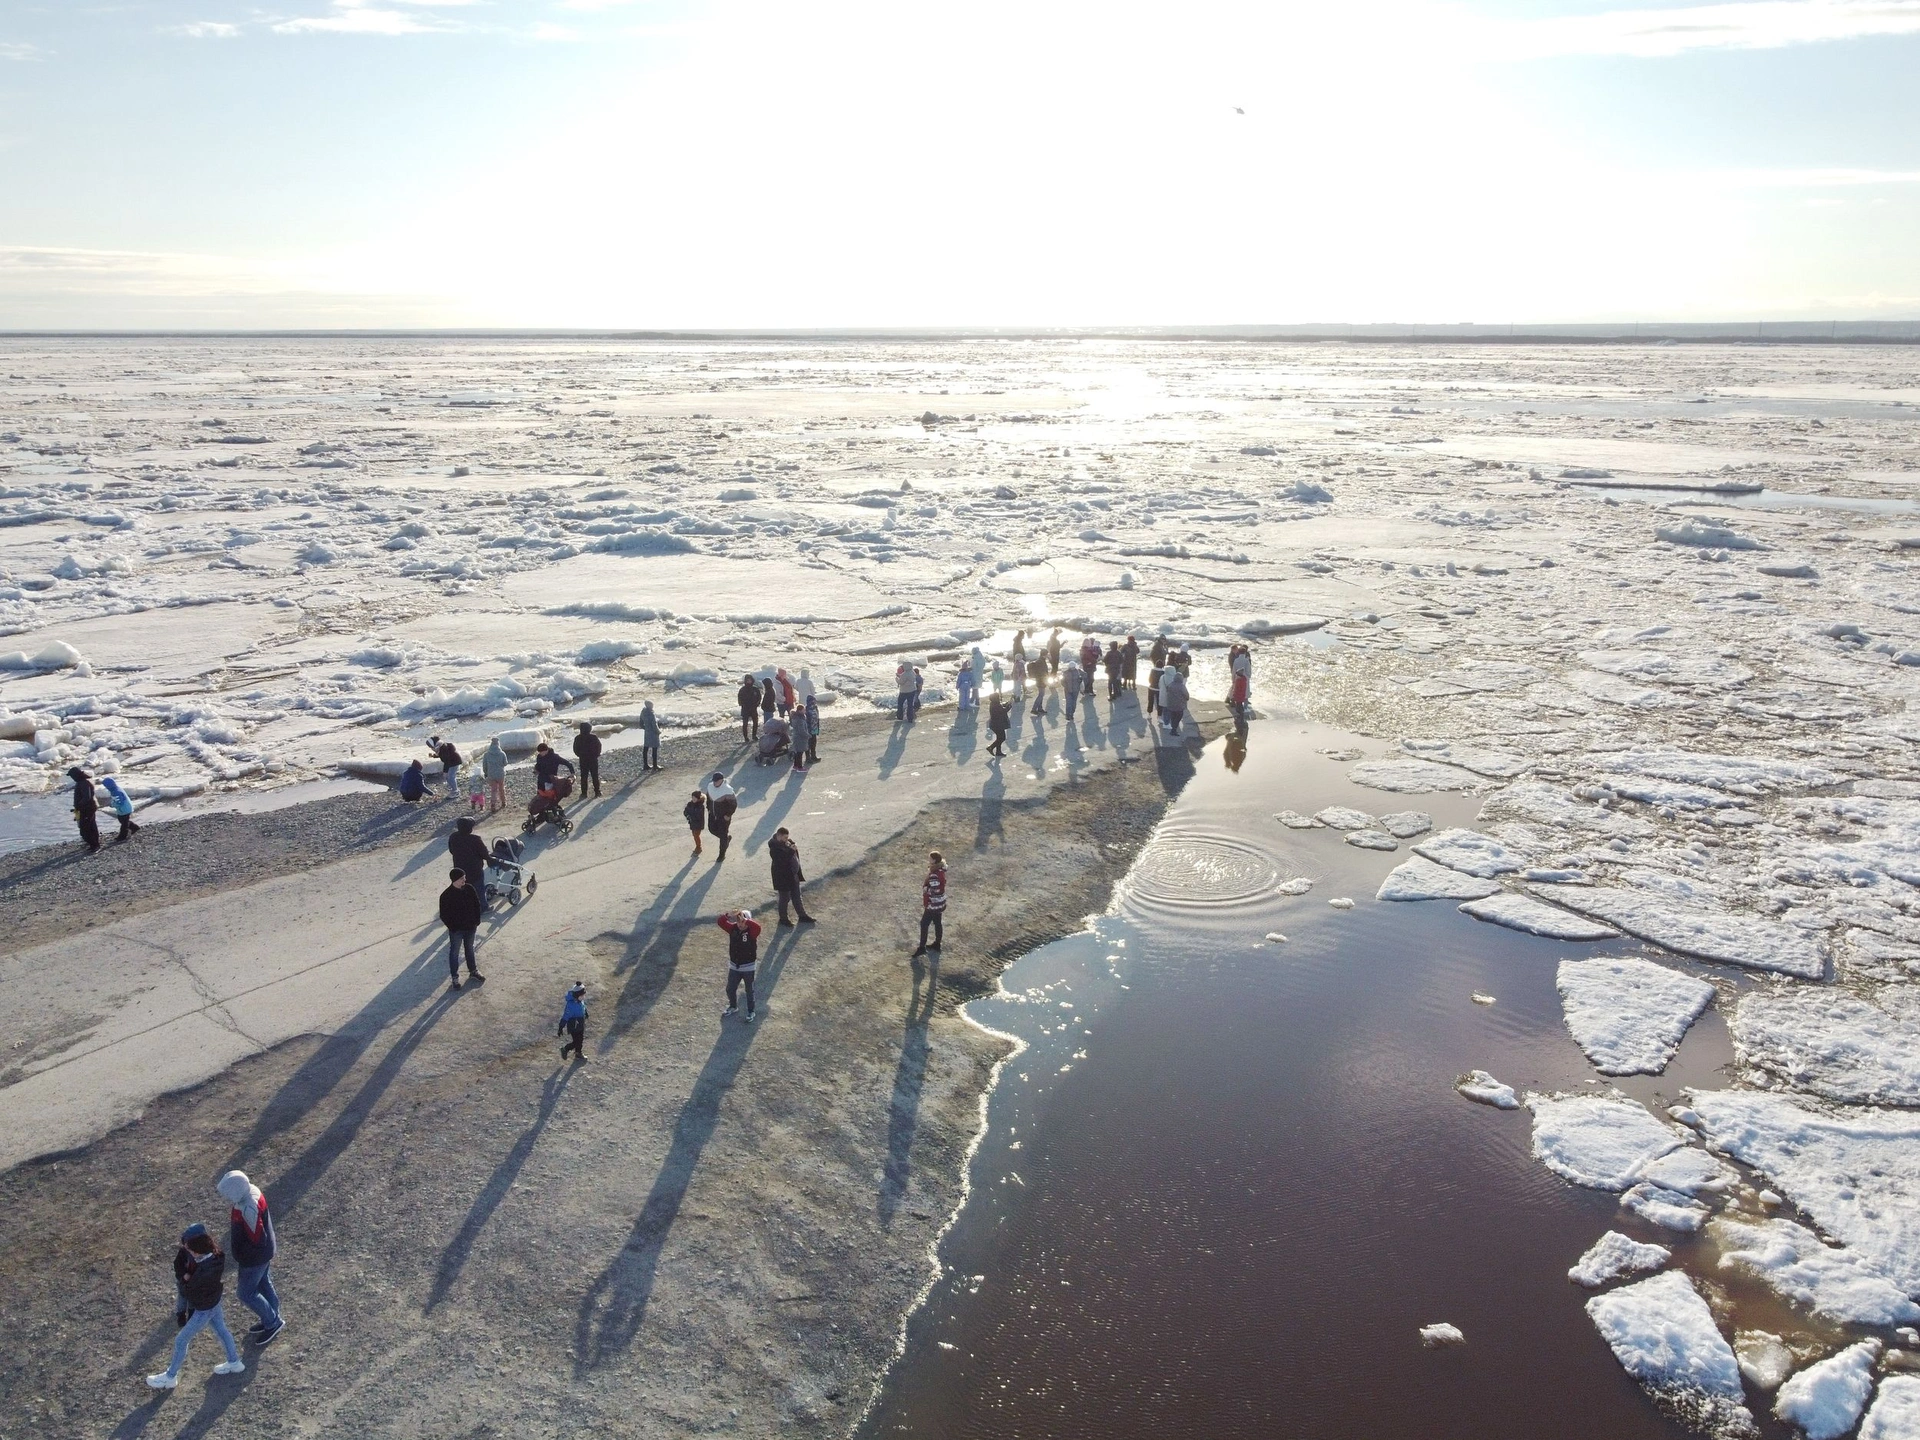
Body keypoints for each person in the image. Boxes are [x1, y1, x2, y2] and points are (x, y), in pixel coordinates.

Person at [148, 1223, 244, 1389]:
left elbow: (188, 1291)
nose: (189, 1253)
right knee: (222, 1331)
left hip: (203, 1309)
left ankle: (170, 1377)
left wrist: (184, 1282)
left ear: (198, 1249)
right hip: (214, 1302)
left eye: (191, 1250)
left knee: (181, 1340)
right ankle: (234, 1362)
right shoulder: (216, 1256)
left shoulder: (203, 1272)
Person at [217, 1170, 284, 1346]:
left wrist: (242, 1254)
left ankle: (272, 1321)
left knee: (245, 1293)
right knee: (263, 1283)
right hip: (264, 1254)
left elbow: (257, 1238)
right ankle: (272, 1316)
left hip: (254, 1259)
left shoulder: (247, 1207)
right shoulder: (253, 1191)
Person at [439, 867, 484, 989]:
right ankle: (455, 977)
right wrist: (453, 927)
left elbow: (477, 904)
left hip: (470, 927)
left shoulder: (469, 888)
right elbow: (444, 915)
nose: (465, 880)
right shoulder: (446, 896)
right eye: (462, 878)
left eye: (464, 877)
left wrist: (476, 921)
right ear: (455, 880)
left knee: (469, 949)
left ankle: (473, 971)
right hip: (457, 931)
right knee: (454, 953)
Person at [717, 909, 761, 1020]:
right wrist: (728, 915)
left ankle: (751, 1012)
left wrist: (746, 921)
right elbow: (720, 922)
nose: (740, 924)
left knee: (749, 991)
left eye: (743, 922)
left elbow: (758, 927)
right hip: (734, 966)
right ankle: (733, 1006)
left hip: (748, 967)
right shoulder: (733, 929)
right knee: (730, 989)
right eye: (738, 921)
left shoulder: (752, 931)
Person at [769, 826, 814, 924]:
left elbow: (791, 853)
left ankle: (802, 916)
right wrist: (791, 850)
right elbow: (782, 861)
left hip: (793, 875)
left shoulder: (786, 843)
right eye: (785, 837)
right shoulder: (774, 848)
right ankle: (783, 919)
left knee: (797, 896)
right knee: (784, 899)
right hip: (783, 878)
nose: (787, 839)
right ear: (779, 836)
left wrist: (792, 845)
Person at [911, 852, 948, 957]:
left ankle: (922, 948)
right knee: (937, 923)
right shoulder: (941, 870)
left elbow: (935, 890)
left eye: (930, 858)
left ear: (934, 860)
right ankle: (937, 944)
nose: (928, 859)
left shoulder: (934, 874)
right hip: (940, 903)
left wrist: (926, 889)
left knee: (924, 924)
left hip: (933, 904)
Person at [449, 816, 490, 902]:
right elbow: (484, 854)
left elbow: (451, 850)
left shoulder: (453, 836)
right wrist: (490, 859)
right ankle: (483, 907)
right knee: (479, 889)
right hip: (474, 870)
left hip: (459, 867)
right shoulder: (475, 839)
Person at [704, 771, 737, 860]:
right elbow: (708, 798)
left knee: (722, 835)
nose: (714, 783)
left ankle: (722, 855)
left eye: (716, 781)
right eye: (714, 781)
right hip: (712, 814)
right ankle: (726, 839)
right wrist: (708, 808)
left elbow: (733, 804)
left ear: (721, 780)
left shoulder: (728, 790)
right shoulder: (710, 786)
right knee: (711, 829)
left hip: (723, 817)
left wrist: (728, 815)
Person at [100, 774, 139, 842]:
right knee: (123, 821)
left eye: (106, 786)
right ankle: (135, 827)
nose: (106, 787)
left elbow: (120, 802)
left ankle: (122, 836)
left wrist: (112, 805)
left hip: (124, 809)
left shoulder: (116, 792)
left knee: (124, 823)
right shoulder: (116, 789)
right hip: (125, 808)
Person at [558, 981, 589, 1062]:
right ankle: (565, 1049)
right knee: (576, 1041)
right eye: (582, 995)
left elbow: (583, 1006)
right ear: (576, 996)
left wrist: (585, 1012)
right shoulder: (570, 1005)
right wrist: (561, 1026)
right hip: (573, 1025)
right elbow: (566, 1016)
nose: (583, 997)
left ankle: (578, 1053)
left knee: (581, 1039)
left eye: (584, 995)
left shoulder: (580, 1000)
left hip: (580, 1023)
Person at [572, 722, 603, 799]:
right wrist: (597, 754)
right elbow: (599, 746)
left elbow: (575, 749)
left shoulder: (578, 738)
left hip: (583, 759)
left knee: (584, 776)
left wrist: (579, 755)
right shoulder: (593, 737)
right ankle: (597, 792)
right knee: (595, 775)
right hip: (593, 759)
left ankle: (584, 793)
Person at [428, 735, 463, 800]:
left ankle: (455, 791)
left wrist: (445, 771)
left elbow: (446, 761)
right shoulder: (441, 746)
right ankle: (452, 787)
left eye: (430, 746)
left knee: (450, 777)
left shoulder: (443, 748)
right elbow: (441, 755)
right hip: (452, 762)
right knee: (449, 777)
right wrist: (433, 756)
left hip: (454, 762)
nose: (431, 748)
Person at [1161, 664, 1190, 736]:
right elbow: (1187, 696)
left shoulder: (1171, 685)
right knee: (1179, 717)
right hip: (1179, 706)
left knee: (1173, 717)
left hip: (1171, 705)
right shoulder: (1182, 686)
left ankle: (1173, 729)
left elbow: (1168, 692)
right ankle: (1174, 729)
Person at [482, 736, 508, 813]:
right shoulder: (502, 753)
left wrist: (486, 773)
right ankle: (503, 802)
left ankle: (493, 805)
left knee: (493, 790)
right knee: (501, 789)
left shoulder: (486, 754)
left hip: (491, 774)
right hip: (500, 774)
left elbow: (484, 765)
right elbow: (505, 763)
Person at [638, 700, 661, 771]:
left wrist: (645, 728)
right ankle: (655, 765)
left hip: (647, 732)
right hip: (653, 733)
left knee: (646, 748)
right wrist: (658, 732)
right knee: (654, 748)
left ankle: (645, 765)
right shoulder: (651, 714)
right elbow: (654, 725)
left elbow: (641, 723)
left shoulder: (643, 712)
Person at [737, 675, 761, 743]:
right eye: (747, 680)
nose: (749, 681)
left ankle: (754, 735)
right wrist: (743, 705)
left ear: (752, 680)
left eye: (750, 680)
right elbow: (739, 699)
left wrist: (757, 704)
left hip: (753, 708)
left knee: (755, 722)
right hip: (745, 709)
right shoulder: (742, 689)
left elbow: (759, 697)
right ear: (745, 681)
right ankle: (746, 737)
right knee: (745, 724)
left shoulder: (755, 689)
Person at [684, 790, 708, 856]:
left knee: (696, 835)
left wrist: (691, 817)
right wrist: (687, 815)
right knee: (694, 835)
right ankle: (697, 846)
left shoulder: (700, 806)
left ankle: (698, 847)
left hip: (698, 824)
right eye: (692, 798)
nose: (693, 799)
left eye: (695, 798)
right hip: (692, 823)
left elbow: (699, 816)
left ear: (698, 798)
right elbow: (685, 811)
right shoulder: (690, 804)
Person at [803, 692, 820, 763]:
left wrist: (818, 728)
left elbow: (817, 717)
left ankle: (813, 756)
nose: (813, 702)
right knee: (808, 743)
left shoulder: (815, 708)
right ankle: (808, 758)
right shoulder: (806, 709)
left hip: (815, 728)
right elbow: (805, 720)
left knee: (814, 742)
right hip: (809, 729)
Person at [1010, 632, 1027, 701]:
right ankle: (1018, 695)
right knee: (1018, 684)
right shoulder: (1018, 642)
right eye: (1023, 635)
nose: (1024, 637)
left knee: (1016, 684)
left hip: (1018, 659)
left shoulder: (1017, 641)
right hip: (1019, 660)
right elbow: (1018, 651)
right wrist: (1021, 658)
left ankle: (1024, 689)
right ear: (1021, 635)